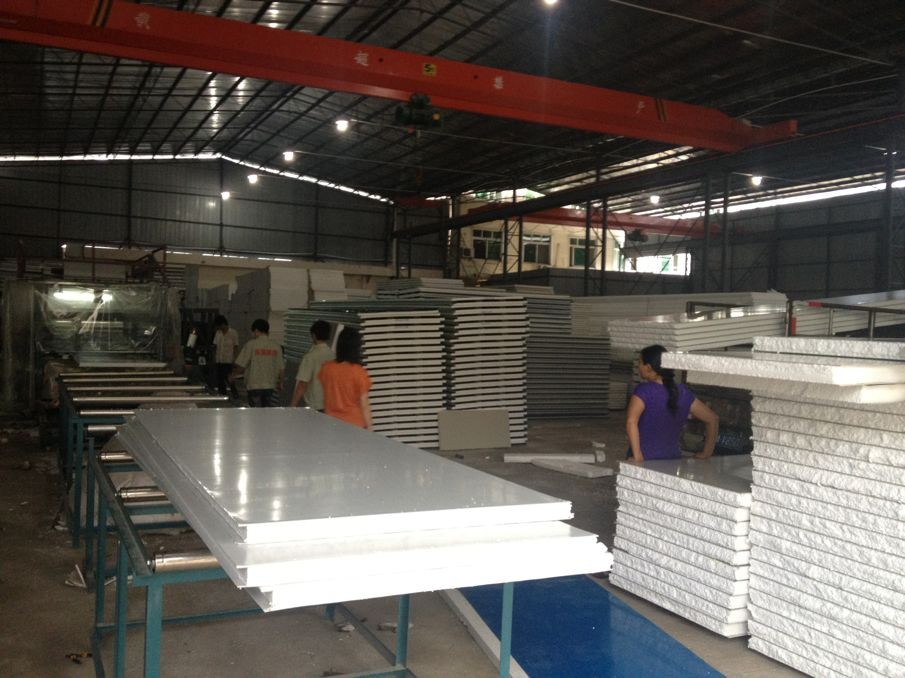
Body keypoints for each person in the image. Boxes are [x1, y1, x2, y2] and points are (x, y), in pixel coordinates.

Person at [625, 344, 718, 462]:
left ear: (648, 367)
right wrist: (706, 453)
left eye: (640, 363)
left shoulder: (643, 391)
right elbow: (712, 419)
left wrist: (637, 456)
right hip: (672, 460)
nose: (639, 367)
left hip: (645, 458)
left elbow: (631, 422)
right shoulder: (682, 392)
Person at [318, 327, 373, 430]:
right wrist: (370, 428)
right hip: (354, 425)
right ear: (356, 348)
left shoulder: (326, 368)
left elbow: (325, 394)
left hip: (331, 424)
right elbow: (364, 405)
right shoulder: (358, 372)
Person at [230, 318, 284, 407]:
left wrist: (233, 375)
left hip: (254, 385)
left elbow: (242, 365)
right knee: (266, 411)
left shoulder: (251, 345)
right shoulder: (276, 347)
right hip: (270, 386)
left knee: (255, 412)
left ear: (256, 330)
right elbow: (281, 367)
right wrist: (281, 382)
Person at [289, 320, 335, 411]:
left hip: (315, 406)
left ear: (313, 335)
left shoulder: (310, 357)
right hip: (330, 405)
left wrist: (292, 406)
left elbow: (302, 384)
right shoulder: (333, 355)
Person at [212, 315, 239, 398]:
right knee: (220, 378)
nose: (219, 328)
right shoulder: (218, 333)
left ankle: (234, 393)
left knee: (229, 378)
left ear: (223, 324)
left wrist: (235, 359)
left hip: (228, 360)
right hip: (219, 359)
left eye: (220, 326)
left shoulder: (233, 333)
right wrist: (214, 357)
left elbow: (236, 347)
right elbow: (215, 345)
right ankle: (223, 393)